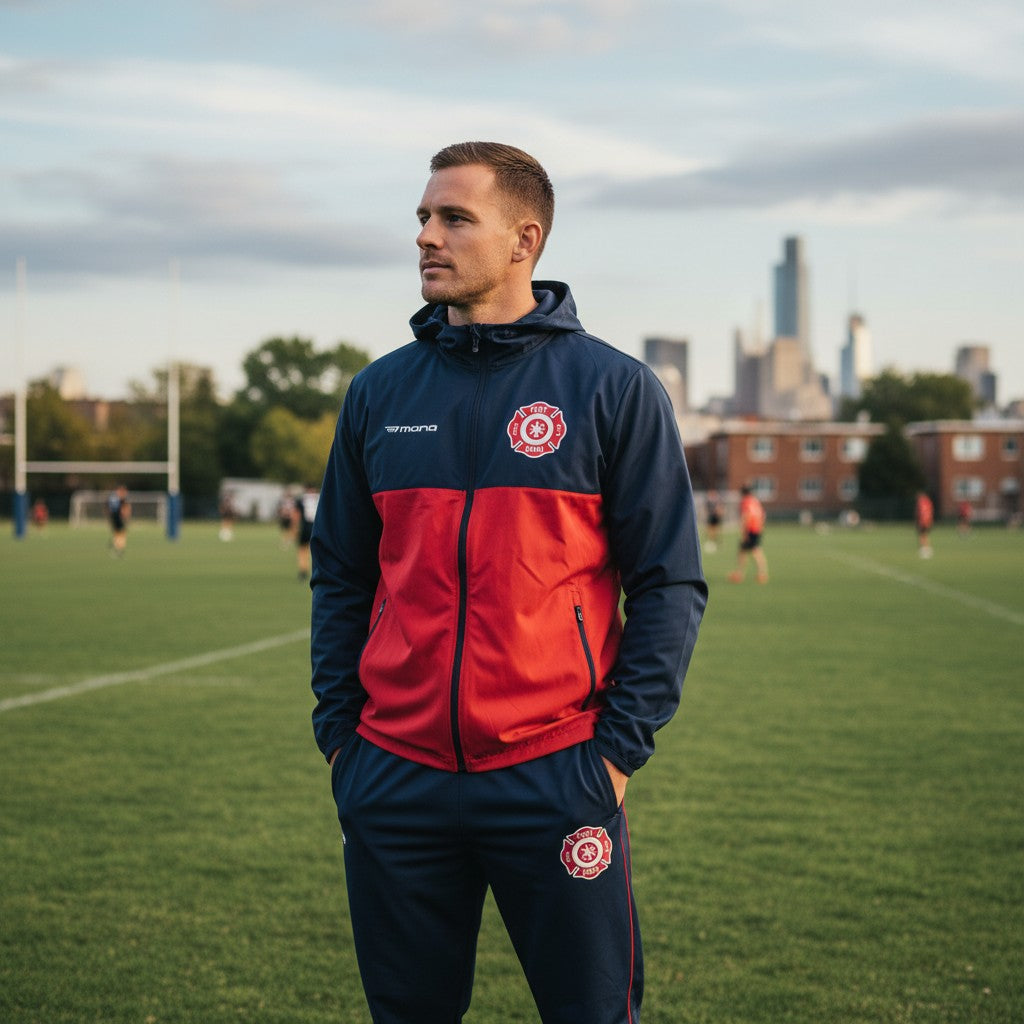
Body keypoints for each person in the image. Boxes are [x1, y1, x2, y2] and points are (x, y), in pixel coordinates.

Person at [310, 141, 707, 1024]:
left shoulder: (613, 388)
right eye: (422, 217)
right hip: (394, 776)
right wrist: (343, 737)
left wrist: (614, 753)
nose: (427, 237)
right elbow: (339, 572)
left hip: (554, 773)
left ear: (524, 240)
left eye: (454, 218)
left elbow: (670, 582)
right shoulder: (378, 393)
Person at [728, 484, 768, 583]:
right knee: (744, 551)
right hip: (757, 528)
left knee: (754, 551)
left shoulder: (745, 501)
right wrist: (761, 526)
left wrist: (744, 531)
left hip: (750, 529)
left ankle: (760, 574)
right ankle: (740, 573)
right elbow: (763, 514)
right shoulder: (755, 501)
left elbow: (746, 516)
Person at [293, 485, 317, 580]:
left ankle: (303, 570)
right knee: (315, 550)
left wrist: (295, 528)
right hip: (316, 527)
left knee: (302, 550)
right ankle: (316, 570)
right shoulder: (319, 498)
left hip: (305, 527)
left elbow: (296, 515)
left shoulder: (301, 500)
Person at [107, 484, 131, 556]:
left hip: (114, 517)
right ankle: (118, 546)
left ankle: (116, 544)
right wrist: (126, 515)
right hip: (118, 517)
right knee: (121, 532)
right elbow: (125, 508)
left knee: (118, 532)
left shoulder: (112, 498)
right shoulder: (120, 499)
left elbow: (108, 508)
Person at [916, 491, 934, 558]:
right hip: (928, 521)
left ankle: (924, 548)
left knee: (922, 534)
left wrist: (920, 521)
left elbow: (920, 512)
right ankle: (926, 547)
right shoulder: (928, 502)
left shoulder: (921, 502)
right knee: (925, 534)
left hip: (923, 521)